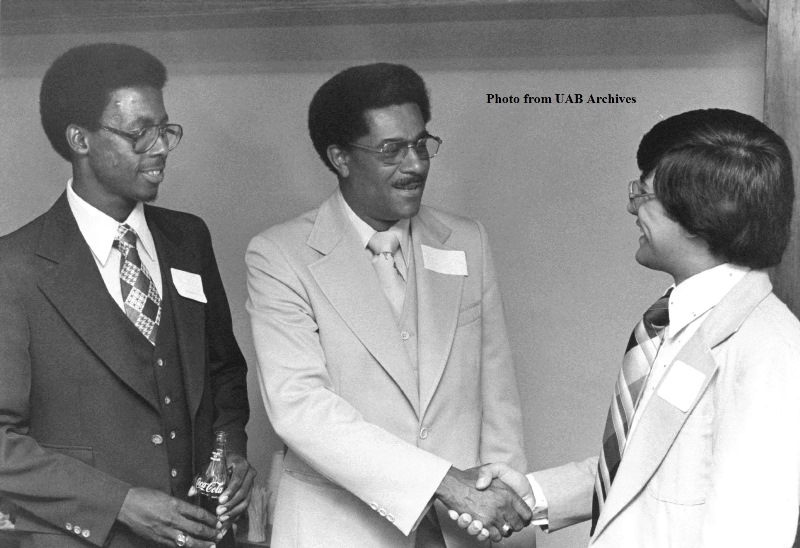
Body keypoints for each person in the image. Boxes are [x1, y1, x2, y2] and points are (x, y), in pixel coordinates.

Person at [460, 108, 800, 547]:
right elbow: (645, 465)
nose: (630, 207)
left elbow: (749, 532)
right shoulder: (675, 319)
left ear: (700, 215)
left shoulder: (771, 348)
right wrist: (536, 494)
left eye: (643, 195)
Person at [245, 63, 531, 547]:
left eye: (421, 144)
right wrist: (442, 482)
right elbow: (302, 408)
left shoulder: (467, 241)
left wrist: (504, 511)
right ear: (339, 157)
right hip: (337, 530)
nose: (416, 164)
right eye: (391, 150)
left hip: (461, 532)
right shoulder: (279, 255)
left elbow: (497, 393)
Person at [0, 43, 255, 548]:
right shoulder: (14, 268)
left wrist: (233, 450)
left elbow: (224, 372)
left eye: (165, 130)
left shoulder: (189, 240)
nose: (159, 147)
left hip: (205, 536)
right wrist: (118, 503)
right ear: (80, 140)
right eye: (140, 133)